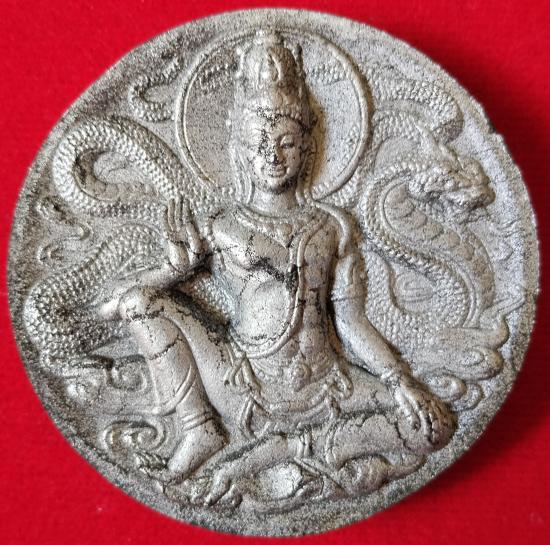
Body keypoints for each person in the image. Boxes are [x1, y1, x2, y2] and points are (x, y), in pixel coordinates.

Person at [98, 31, 455, 502]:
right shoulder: (220, 226)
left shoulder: (332, 227)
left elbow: (350, 321)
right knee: (140, 304)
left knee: (434, 426)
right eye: (258, 141)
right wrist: (171, 271)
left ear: (308, 147)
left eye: (287, 142)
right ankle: (200, 427)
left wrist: (400, 381)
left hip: (330, 382)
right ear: (239, 148)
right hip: (242, 380)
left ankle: (282, 450)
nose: (272, 154)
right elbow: (112, 308)